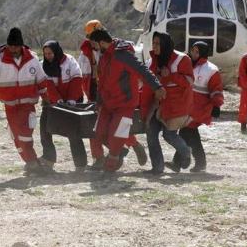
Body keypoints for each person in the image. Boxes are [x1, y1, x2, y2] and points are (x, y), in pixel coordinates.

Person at [0, 28, 59, 176]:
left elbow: (42, 81)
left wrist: (46, 98)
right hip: (10, 105)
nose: (13, 50)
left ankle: (32, 162)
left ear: (21, 45)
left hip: (28, 104)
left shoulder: (32, 58)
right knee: (16, 136)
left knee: (25, 134)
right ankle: (31, 163)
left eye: (16, 47)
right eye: (10, 46)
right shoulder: (0, 59)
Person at [87, 28, 164, 173]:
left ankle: (111, 165)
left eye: (94, 44)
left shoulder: (123, 55)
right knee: (99, 133)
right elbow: (101, 81)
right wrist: (99, 101)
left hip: (125, 104)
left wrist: (157, 86)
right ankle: (127, 149)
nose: (93, 48)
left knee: (116, 136)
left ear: (101, 42)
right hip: (107, 104)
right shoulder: (104, 56)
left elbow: (142, 70)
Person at [77, 20, 148, 170]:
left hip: (115, 94)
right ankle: (99, 158)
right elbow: (85, 77)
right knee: (97, 130)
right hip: (97, 93)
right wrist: (92, 96)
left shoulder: (117, 48)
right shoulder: (85, 53)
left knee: (118, 127)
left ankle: (131, 146)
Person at [142, 32, 194, 174]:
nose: (154, 46)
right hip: (155, 104)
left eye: (158, 43)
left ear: (165, 44)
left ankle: (186, 151)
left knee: (169, 135)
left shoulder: (182, 59)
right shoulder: (152, 60)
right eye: (153, 43)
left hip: (174, 106)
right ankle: (157, 167)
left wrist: (171, 75)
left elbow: (189, 82)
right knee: (151, 134)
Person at [167, 41, 223, 172]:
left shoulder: (211, 69)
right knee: (190, 133)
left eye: (197, 52)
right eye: (192, 50)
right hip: (188, 106)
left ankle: (179, 162)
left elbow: (216, 89)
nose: (193, 53)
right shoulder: (187, 65)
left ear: (203, 53)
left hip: (201, 108)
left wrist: (216, 105)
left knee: (187, 131)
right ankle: (198, 163)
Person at [39, 40, 87, 172]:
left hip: (73, 100)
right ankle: (48, 158)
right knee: (44, 128)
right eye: (45, 54)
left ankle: (80, 164)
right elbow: (48, 85)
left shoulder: (70, 61)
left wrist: (71, 100)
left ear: (56, 52)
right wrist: (58, 101)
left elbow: (77, 80)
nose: (48, 56)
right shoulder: (43, 65)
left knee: (73, 132)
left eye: (50, 53)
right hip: (52, 102)